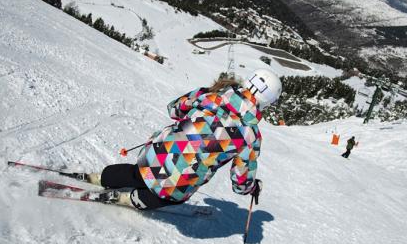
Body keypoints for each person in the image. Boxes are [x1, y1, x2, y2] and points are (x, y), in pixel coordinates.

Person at [87, 69, 282, 210]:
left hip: (156, 154)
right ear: (268, 102)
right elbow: (241, 181)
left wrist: (201, 99)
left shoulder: (211, 97)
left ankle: (102, 177)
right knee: (172, 193)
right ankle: (135, 199)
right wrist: (252, 187)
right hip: (179, 182)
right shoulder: (250, 136)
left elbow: (174, 109)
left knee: (139, 172)